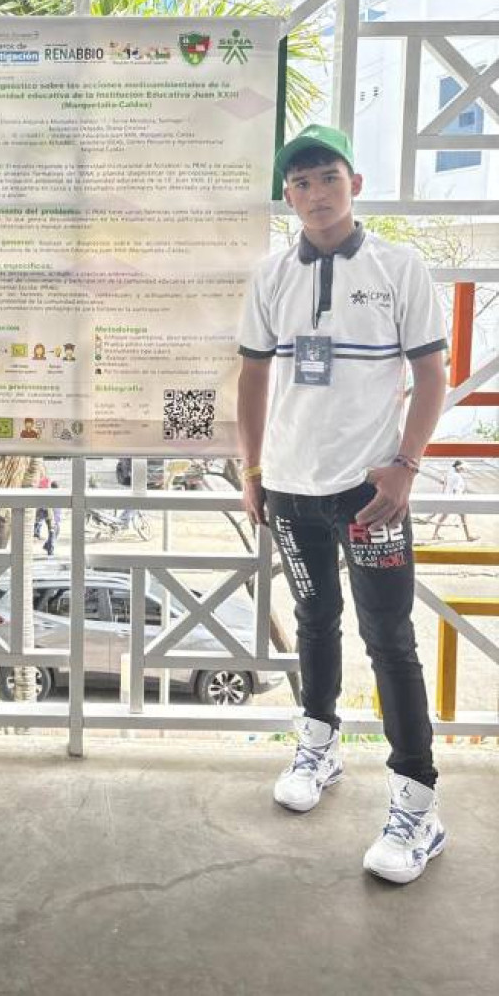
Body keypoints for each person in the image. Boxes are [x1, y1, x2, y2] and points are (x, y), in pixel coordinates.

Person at [236, 123, 448, 885]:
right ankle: (318, 744)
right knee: (313, 620)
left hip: (370, 493)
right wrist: (252, 467)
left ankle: (416, 802)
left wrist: (404, 466)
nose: (313, 193)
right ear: (286, 195)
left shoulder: (398, 265)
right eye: (298, 183)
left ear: (352, 182)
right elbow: (253, 378)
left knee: (389, 636)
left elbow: (430, 377)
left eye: (326, 177)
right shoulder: (270, 275)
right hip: (291, 489)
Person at [431, 460, 478, 542]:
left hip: (447, 498)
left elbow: (443, 483)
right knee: (463, 517)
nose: (463, 469)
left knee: (443, 517)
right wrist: (457, 501)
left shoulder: (450, 473)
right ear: (458, 467)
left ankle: (435, 534)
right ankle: (468, 536)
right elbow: (455, 490)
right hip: (455, 500)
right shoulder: (457, 476)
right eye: (462, 468)